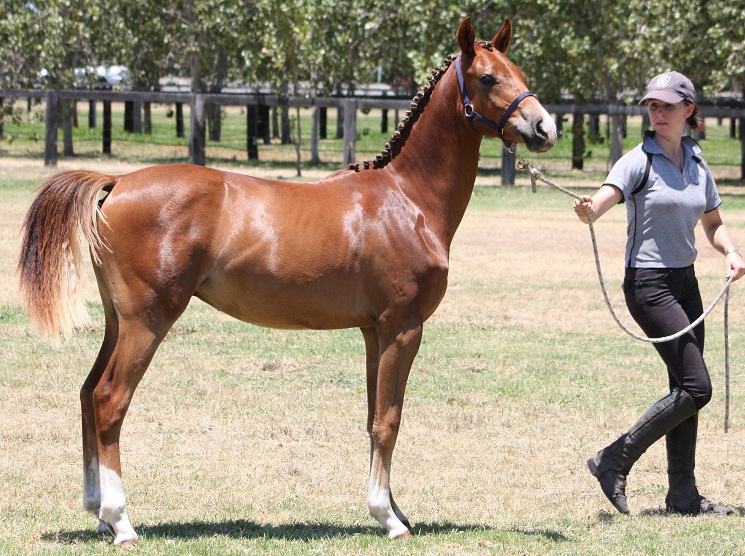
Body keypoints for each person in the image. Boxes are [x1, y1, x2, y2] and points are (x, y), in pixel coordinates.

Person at [574, 71, 745, 515]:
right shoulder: (638, 160)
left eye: (668, 105)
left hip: (685, 282)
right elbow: (604, 199)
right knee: (697, 387)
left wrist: (730, 251)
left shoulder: (698, 162)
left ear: (688, 110)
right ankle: (615, 458)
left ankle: (683, 496)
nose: (658, 112)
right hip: (649, 285)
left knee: (683, 388)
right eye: (653, 105)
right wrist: (589, 209)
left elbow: (712, 222)